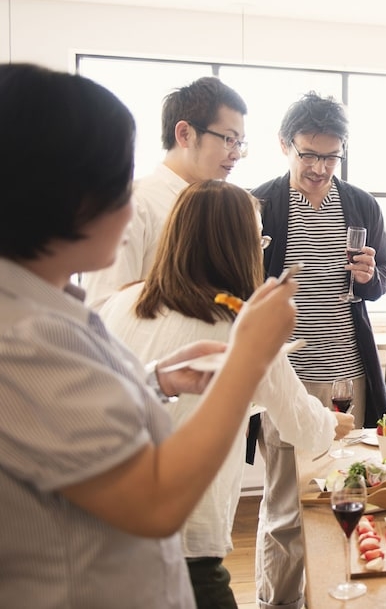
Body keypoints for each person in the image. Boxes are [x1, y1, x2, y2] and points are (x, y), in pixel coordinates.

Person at [0, 64, 297, 608]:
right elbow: (157, 501)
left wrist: (154, 378)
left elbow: (69, 409)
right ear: (60, 193)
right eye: (116, 180)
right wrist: (248, 356)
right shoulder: (21, 336)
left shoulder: (44, 309)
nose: (130, 200)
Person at [100, 180, 354, 609]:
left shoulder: (122, 302)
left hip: (107, 529)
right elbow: (306, 429)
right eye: (259, 239)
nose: (262, 249)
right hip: (185, 539)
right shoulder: (241, 323)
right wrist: (335, 422)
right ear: (240, 246)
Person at [251, 91, 386, 609]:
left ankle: (342, 597)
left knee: (350, 493)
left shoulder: (360, 204)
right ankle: (278, 603)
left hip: (349, 374)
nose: (319, 167)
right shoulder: (259, 204)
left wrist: (369, 274)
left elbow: (383, 276)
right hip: (284, 379)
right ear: (285, 146)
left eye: (330, 156)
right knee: (287, 506)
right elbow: (239, 288)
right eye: (308, 154)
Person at [82, 76, 248, 309]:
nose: (236, 154)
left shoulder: (219, 208)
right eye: (229, 139)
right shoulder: (135, 204)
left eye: (240, 143)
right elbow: (103, 307)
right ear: (184, 134)